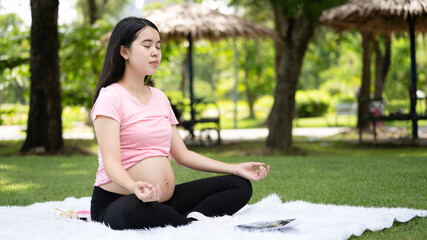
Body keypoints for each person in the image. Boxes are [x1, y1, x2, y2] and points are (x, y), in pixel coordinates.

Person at [90, 17, 270, 230]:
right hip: (120, 200)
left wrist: (235, 168)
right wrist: (134, 186)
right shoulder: (111, 97)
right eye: (147, 46)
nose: (155, 52)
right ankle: (186, 223)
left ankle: (184, 220)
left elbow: (182, 155)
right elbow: (111, 164)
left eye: (158, 46)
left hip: (163, 200)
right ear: (124, 52)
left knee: (238, 185)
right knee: (135, 208)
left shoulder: (159, 97)